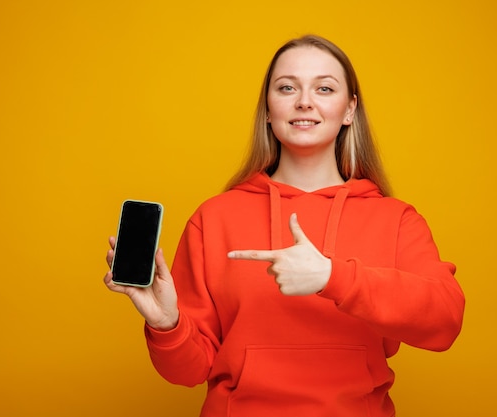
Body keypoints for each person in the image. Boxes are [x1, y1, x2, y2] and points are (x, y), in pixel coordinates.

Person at [104, 34, 465, 417]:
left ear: (349, 110)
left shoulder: (396, 219)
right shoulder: (214, 218)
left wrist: (332, 277)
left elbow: (444, 322)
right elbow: (189, 371)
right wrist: (167, 324)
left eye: (324, 88)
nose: (304, 101)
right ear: (268, 110)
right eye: (287, 87)